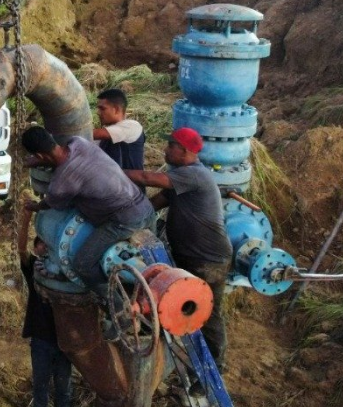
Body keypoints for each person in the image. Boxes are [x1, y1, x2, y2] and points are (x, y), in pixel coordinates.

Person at [124, 127, 232, 370]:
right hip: (189, 257)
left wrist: (112, 172)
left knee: (207, 313)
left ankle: (214, 368)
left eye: (170, 145)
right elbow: (153, 205)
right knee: (174, 304)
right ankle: (171, 358)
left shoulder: (194, 174)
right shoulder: (180, 181)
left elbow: (147, 178)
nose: (165, 149)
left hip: (208, 259)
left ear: (184, 150)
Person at [21, 127, 155, 300]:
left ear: (39, 157)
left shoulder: (61, 184)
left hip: (124, 221)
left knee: (82, 264)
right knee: (154, 267)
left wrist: (35, 207)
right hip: (146, 208)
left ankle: (117, 305)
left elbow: (52, 204)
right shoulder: (79, 142)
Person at [19, 212, 72, 407]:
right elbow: (20, 249)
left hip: (65, 342)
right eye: (41, 244)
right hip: (42, 340)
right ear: (37, 248)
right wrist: (25, 217)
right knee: (40, 387)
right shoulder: (34, 269)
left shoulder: (68, 274)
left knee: (63, 386)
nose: (45, 248)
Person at [93, 88, 145, 171]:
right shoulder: (105, 135)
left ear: (116, 109)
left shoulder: (132, 126)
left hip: (130, 183)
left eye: (102, 109)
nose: (98, 112)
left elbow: (91, 134)